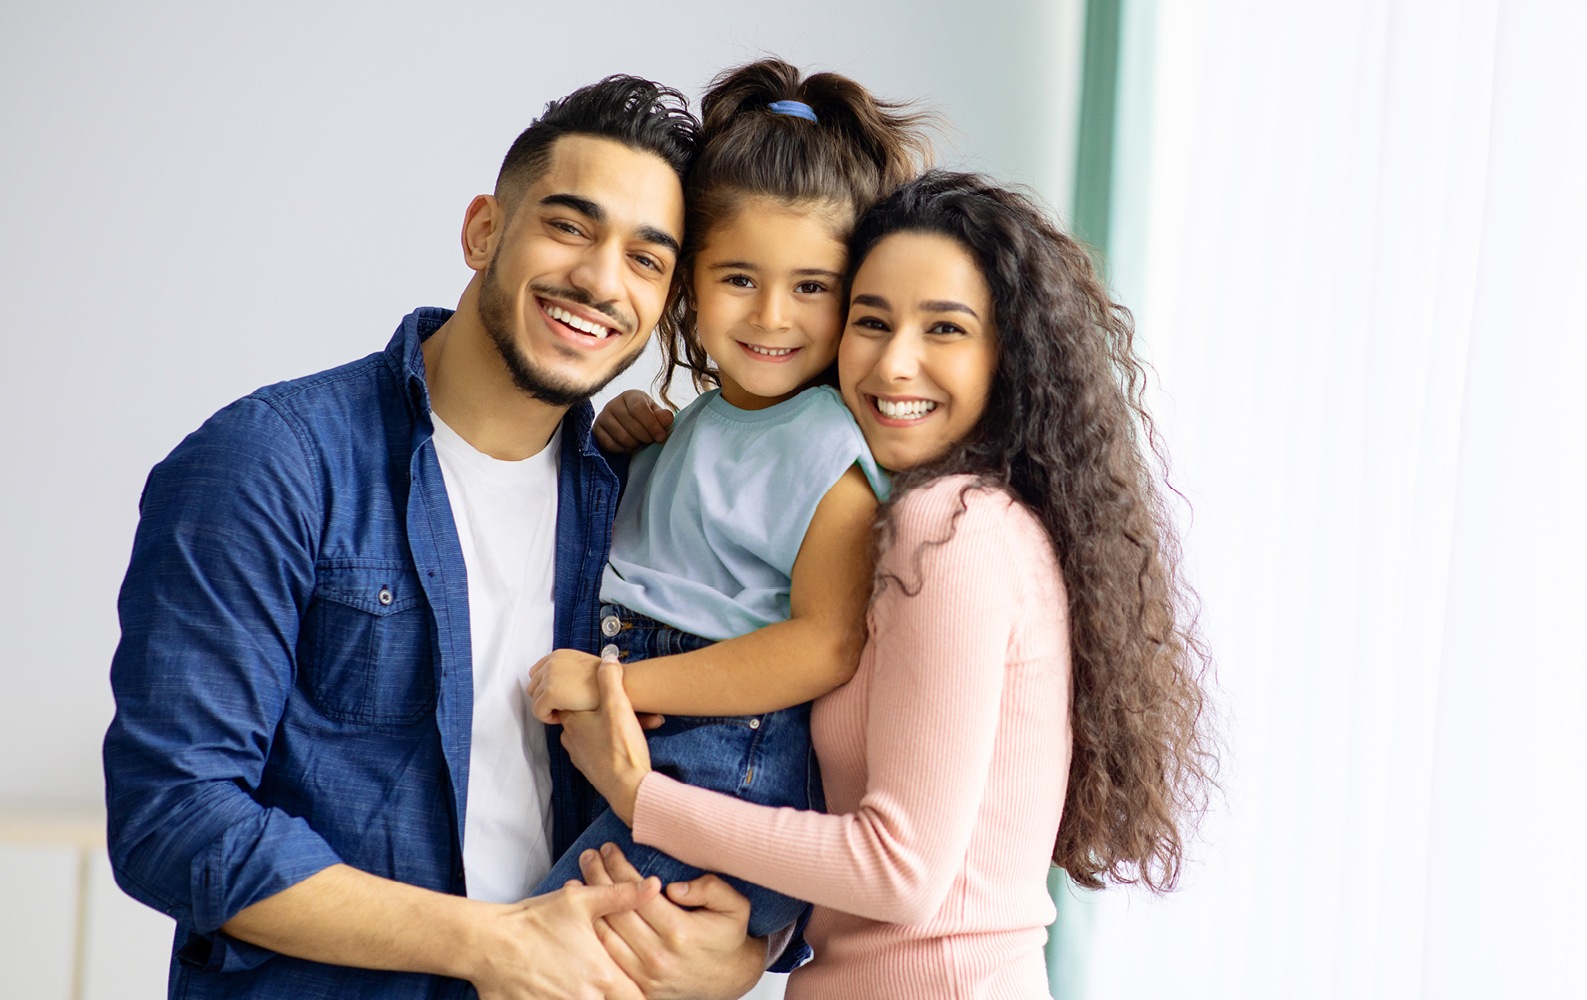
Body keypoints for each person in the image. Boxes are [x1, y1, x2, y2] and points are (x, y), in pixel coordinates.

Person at [102, 75, 771, 1000]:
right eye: (570, 226)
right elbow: (173, 818)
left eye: (647, 260)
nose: (600, 280)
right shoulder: (268, 464)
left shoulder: (640, 496)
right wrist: (494, 944)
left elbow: (750, 749)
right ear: (483, 231)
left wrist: (751, 951)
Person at [561, 171, 1216, 997]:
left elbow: (898, 871)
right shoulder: (933, 519)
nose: (895, 362)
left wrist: (639, 793)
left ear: (1008, 354)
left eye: (945, 328)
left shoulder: (952, 528)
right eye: (871, 321)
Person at [521, 58, 930, 941]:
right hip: (657, 739)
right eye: (739, 278)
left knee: (533, 955)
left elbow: (824, 643)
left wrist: (616, 684)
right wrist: (623, 442)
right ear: (688, 286)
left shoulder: (829, 442)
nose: (772, 316)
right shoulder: (701, 421)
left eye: (811, 288)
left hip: (720, 760)